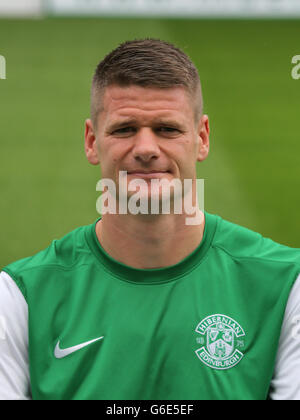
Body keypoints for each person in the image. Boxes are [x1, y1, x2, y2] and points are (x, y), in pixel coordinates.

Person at [0, 39, 299, 401]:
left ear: (201, 138)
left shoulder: (286, 285)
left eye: (167, 129)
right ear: (92, 141)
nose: (145, 149)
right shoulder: (21, 296)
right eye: (124, 129)